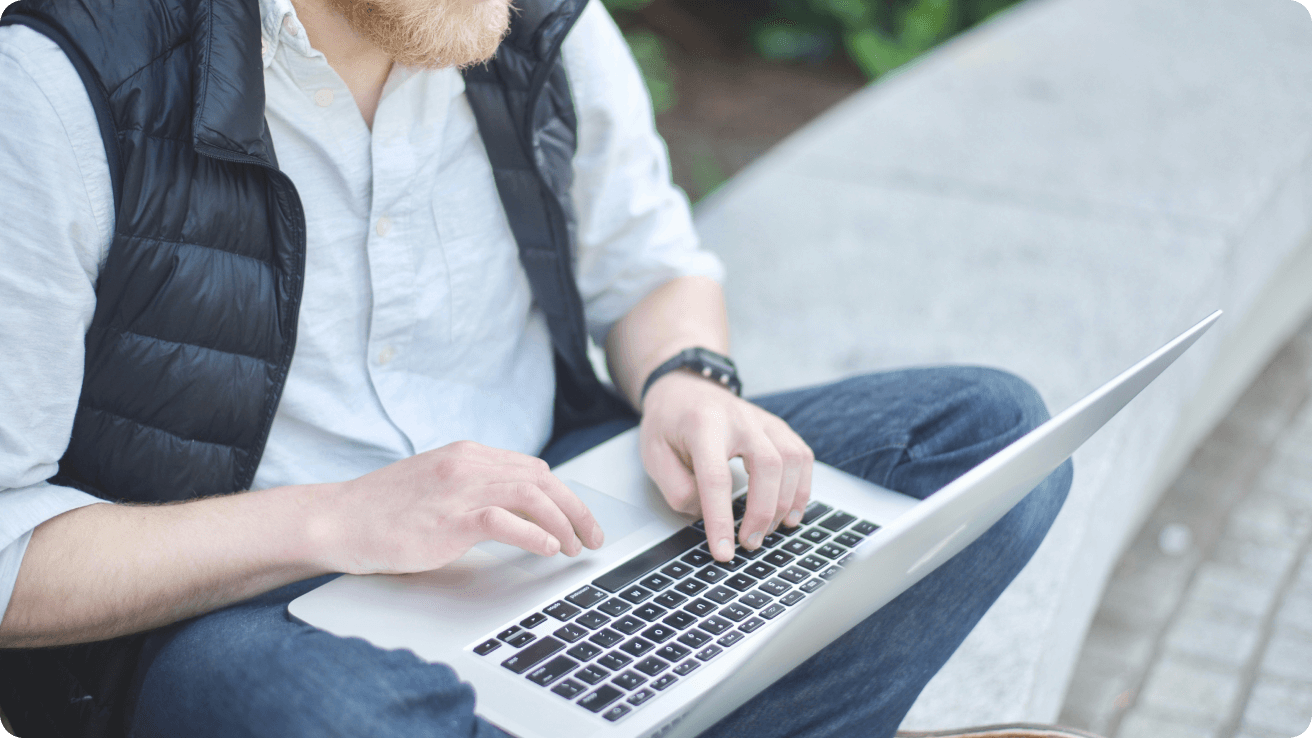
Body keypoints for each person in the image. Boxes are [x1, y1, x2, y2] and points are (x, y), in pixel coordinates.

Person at [0, 0, 1077, 735]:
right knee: (319, 716)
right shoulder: (60, 86)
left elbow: (653, 269)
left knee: (990, 440)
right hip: (253, 600)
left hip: (559, 513)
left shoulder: (533, 18)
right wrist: (337, 520)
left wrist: (689, 380)